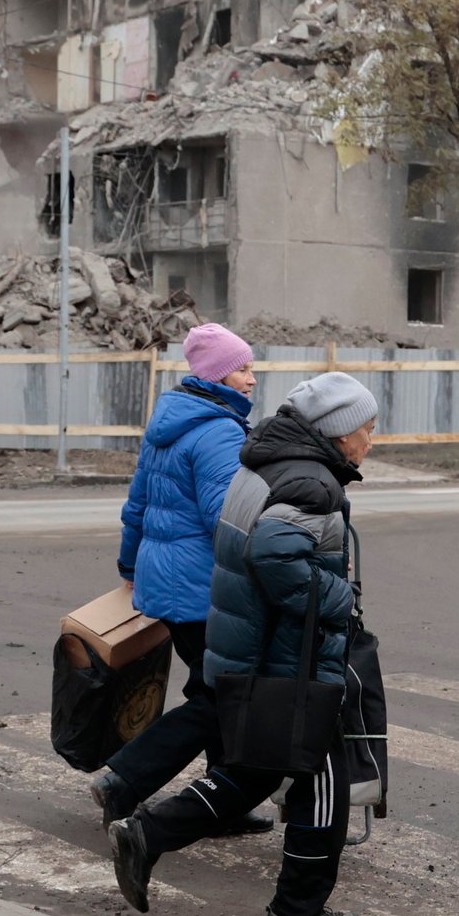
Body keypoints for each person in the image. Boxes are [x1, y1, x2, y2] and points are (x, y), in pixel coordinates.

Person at [108, 371, 379, 916]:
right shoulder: (312, 486)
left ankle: (148, 834)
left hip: (251, 649)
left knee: (254, 770)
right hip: (292, 660)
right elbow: (277, 559)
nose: (371, 440)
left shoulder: (261, 464)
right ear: (336, 433)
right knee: (322, 781)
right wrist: (341, 596)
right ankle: (296, 913)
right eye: (366, 428)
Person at [93, 324, 275, 836]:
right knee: (222, 697)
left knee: (217, 688)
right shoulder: (218, 429)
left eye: (253, 368)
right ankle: (124, 781)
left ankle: (222, 802)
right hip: (205, 588)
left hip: (169, 584)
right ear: (216, 374)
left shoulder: (169, 422)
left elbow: (137, 508)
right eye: (243, 369)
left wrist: (130, 568)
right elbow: (228, 517)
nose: (252, 379)